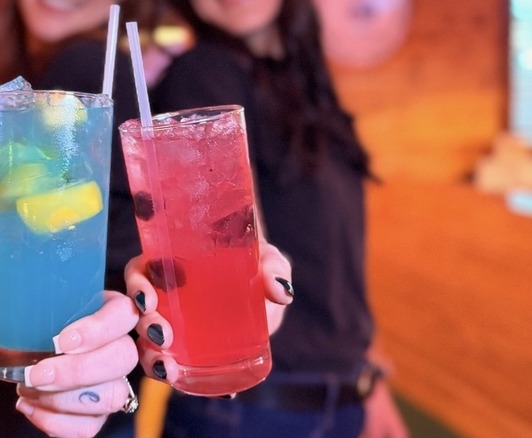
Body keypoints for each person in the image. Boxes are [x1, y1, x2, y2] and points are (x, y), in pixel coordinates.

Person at [129, 0, 411, 436]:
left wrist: (369, 377)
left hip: (342, 392)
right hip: (252, 411)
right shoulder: (204, 73)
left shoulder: (303, 80)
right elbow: (236, 245)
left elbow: (336, 256)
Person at [0, 1, 157, 436]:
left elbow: (117, 238)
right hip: (13, 404)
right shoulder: (25, 84)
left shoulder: (83, 68)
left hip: (40, 409)